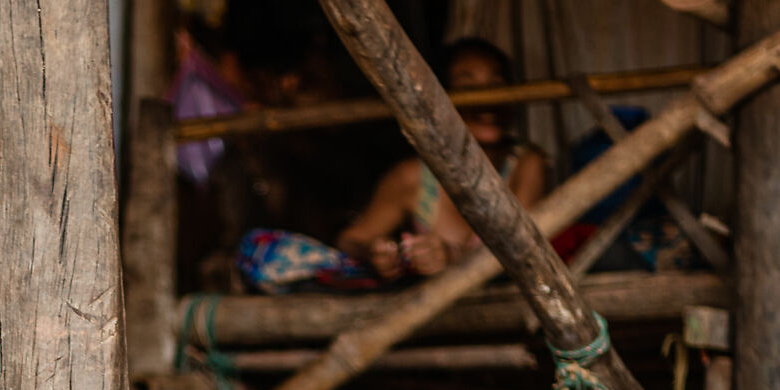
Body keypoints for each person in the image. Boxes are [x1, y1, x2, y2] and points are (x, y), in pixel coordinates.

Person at [235, 38, 551, 294]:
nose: (487, 100)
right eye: (469, 86)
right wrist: (377, 255)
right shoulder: (413, 178)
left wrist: (451, 256)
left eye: (497, 84)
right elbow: (351, 240)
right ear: (440, 103)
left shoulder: (526, 165)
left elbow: (520, 252)